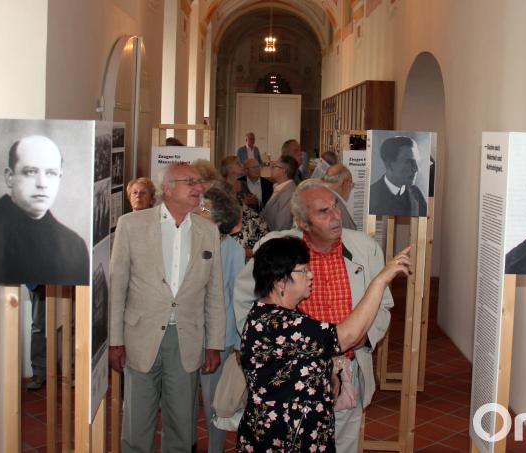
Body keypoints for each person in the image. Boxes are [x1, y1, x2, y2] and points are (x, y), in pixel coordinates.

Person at [235, 179, 395, 452]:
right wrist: (264, 351)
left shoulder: (365, 248)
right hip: (289, 386)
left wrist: (365, 338)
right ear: (302, 222)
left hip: (347, 370)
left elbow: (383, 305)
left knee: (341, 444)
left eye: (335, 207)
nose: (336, 217)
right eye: (324, 212)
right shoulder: (278, 249)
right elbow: (244, 300)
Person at [109, 162, 226, 452]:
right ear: (168, 188)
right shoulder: (131, 225)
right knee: (137, 421)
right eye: (190, 182)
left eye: (199, 182)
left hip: (186, 338)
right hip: (140, 336)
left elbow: (214, 293)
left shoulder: (208, 231)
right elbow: (117, 286)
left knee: (182, 424)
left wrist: (214, 344)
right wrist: (115, 340)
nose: (198, 188)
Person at [0, 135, 89, 285]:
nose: (42, 183)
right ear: (10, 177)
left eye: (51, 173)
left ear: (59, 178)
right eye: (30, 172)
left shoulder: (74, 246)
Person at [192, 187, 245, 453]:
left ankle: (214, 449)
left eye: (204, 208)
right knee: (185, 400)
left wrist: (237, 342)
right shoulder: (189, 241)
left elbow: (238, 297)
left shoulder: (232, 250)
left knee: (215, 402)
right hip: (189, 335)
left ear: (219, 218)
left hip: (219, 339)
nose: (197, 210)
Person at [369, 136, 428, 217]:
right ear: (389, 164)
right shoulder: (371, 196)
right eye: (409, 162)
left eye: (416, 162)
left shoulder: (416, 194)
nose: (416, 169)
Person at [261, 155, 299, 231]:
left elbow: (281, 228)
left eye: (274, 166)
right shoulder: (280, 187)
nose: (271, 168)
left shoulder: (288, 194)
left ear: (284, 171)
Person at [323, 163, 358, 230]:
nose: (350, 189)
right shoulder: (337, 207)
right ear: (345, 184)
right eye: (351, 185)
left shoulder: (319, 197)